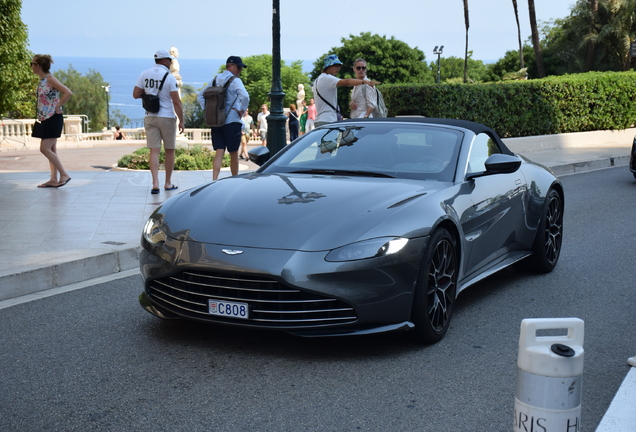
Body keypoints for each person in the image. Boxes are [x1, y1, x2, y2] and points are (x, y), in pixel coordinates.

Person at [133, 49, 184, 194]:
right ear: (164, 61)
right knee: (169, 150)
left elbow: (135, 94)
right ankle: (167, 183)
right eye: (169, 60)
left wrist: (149, 95)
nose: (170, 63)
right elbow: (176, 102)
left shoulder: (144, 74)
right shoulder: (169, 77)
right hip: (166, 116)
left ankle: (155, 183)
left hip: (150, 116)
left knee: (154, 150)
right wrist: (181, 121)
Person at [197, 56, 249, 180]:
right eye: (238, 67)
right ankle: (234, 180)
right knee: (233, 153)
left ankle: (214, 180)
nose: (240, 70)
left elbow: (200, 96)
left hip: (216, 121)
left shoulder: (215, 79)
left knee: (219, 152)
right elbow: (245, 96)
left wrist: (209, 110)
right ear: (230, 66)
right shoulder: (235, 80)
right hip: (232, 121)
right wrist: (242, 110)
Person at [30, 54, 73, 188]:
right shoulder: (42, 80)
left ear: (38, 66)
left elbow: (67, 92)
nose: (31, 66)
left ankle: (64, 174)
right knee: (51, 150)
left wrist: (58, 106)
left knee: (44, 149)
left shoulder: (50, 79)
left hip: (53, 118)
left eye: (32, 63)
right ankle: (53, 179)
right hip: (45, 118)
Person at [312, 55, 380, 128]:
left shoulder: (317, 80)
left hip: (321, 119)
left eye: (340, 66)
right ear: (329, 66)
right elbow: (346, 82)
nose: (339, 68)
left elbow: (371, 104)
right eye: (336, 65)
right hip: (328, 120)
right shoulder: (327, 78)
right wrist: (365, 82)